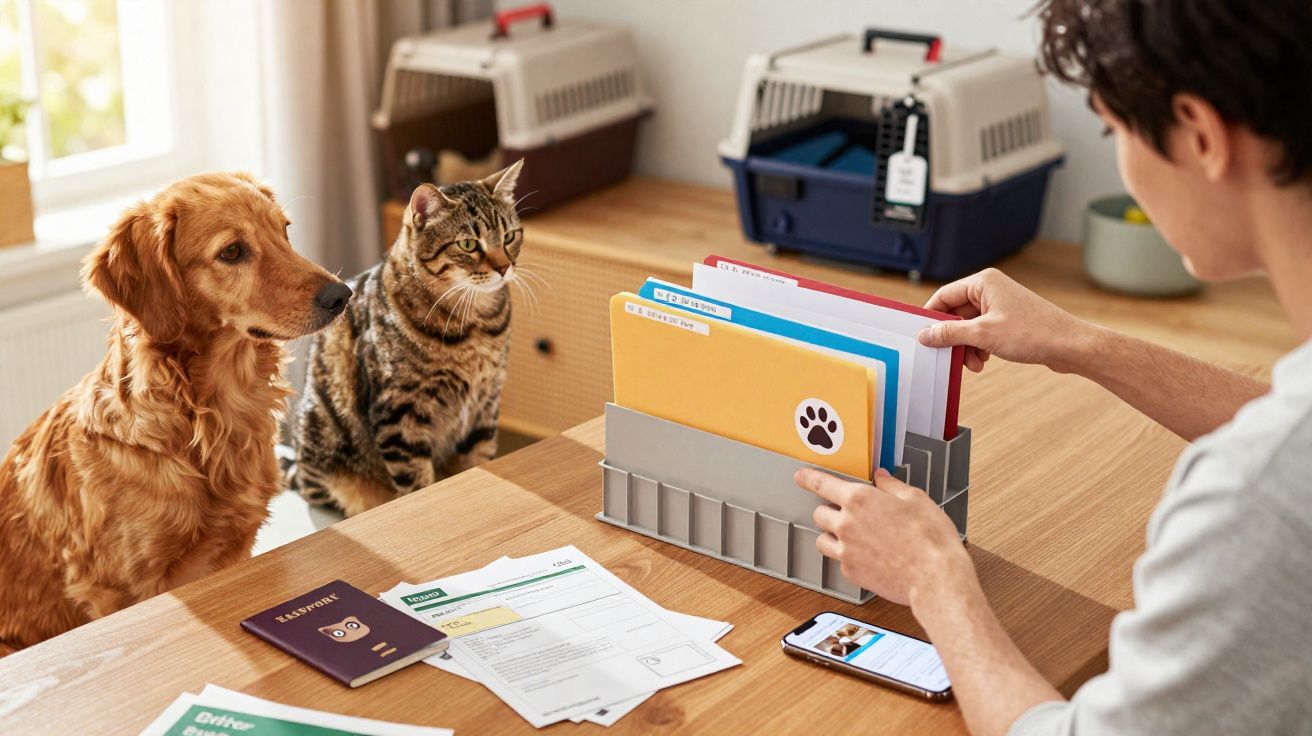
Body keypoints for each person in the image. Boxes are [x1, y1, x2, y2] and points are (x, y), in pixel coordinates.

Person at [793, 1, 1312, 734]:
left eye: (1111, 129)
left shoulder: (1249, 502)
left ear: (1200, 134)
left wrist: (934, 580)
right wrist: (1079, 342)